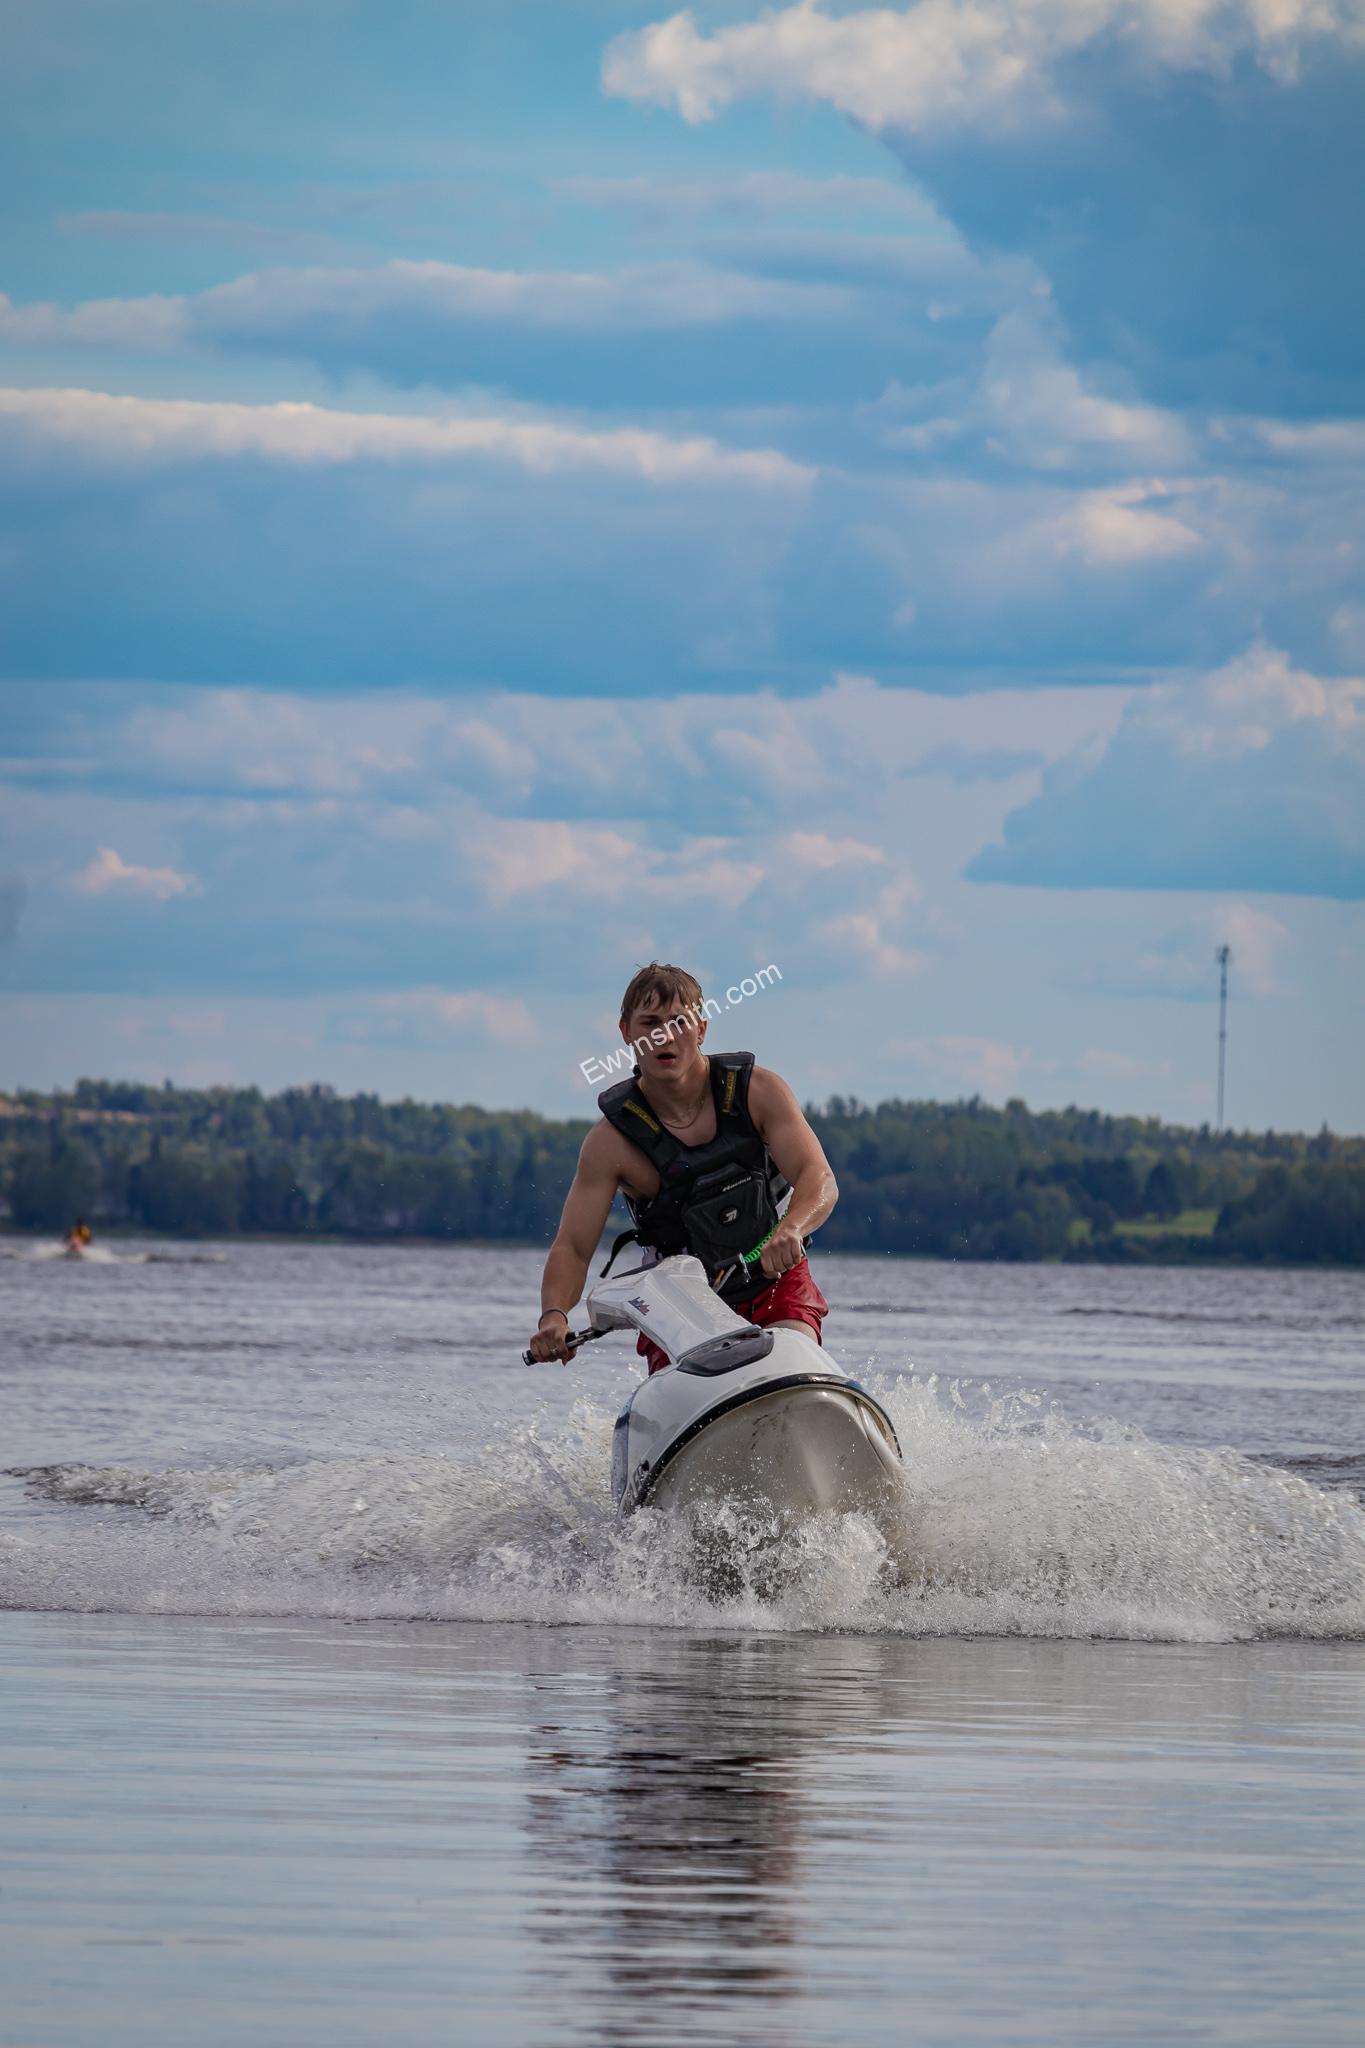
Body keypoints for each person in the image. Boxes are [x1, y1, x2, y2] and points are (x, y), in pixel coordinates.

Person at [526, 963, 838, 1373]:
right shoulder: (610, 1144)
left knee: (788, 1364)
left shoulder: (759, 1092)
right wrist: (554, 1316)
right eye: (651, 1023)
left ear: (702, 1029)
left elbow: (819, 1179)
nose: (665, 1036)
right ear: (626, 1032)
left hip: (775, 1284)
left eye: (679, 1022)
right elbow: (573, 1247)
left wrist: (792, 1229)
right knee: (701, 1380)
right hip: (676, 1306)